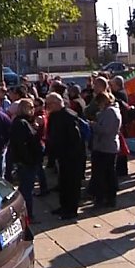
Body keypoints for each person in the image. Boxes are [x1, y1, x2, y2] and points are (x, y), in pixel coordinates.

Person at [45, 92, 85, 220]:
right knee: (63, 182)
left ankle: (71, 209)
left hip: (72, 156)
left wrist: (68, 152)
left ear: (56, 103)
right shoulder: (54, 116)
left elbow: (75, 139)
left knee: (72, 183)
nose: (48, 106)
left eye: (49, 104)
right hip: (61, 155)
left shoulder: (69, 116)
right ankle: (63, 206)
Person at [8, 99, 43, 220]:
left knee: (25, 190)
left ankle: (24, 215)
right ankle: (28, 216)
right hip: (26, 163)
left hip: (26, 161)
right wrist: (28, 160)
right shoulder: (21, 123)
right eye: (31, 107)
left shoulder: (23, 122)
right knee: (26, 191)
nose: (34, 110)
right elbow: (22, 144)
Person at [91, 92, 121, 209]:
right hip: (106, 146)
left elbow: (106, 129)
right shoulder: (111, 111)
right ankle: (106, 197)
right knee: (106, 173)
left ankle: (107, 198)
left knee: (106, 174)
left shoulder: (110, 112)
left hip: (106, 146)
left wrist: (94, 125)